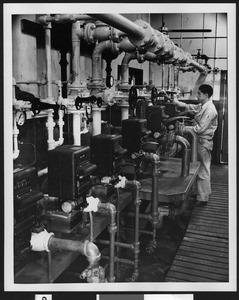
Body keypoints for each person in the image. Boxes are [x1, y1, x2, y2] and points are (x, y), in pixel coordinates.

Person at [173, 84, 218, 206]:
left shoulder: (210, 110)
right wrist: (176, 102)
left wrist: (182, 128)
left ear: (206, 95)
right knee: (200, 168)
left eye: (199, 93)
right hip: (199, 141)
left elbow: (200, 129)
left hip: (203, 142)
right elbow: (191, 107)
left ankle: (202, 199)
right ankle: (202, 193)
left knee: (203, 169)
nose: (197, 95)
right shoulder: (203, 106)